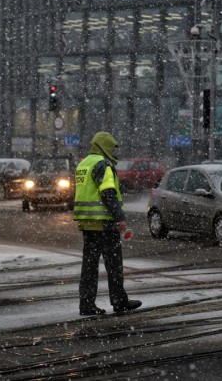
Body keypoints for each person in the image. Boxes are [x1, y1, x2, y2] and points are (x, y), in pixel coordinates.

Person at [73, 131, 142, 316]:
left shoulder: (83, 164)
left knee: (89, 266)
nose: (114, 151)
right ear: (104, 146)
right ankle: (119, 301)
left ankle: (86, 304)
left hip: (88, 223)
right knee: (114, 265)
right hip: (104, 223)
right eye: (112, 147)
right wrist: (119, 218)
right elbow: (108, 193)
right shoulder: (103, 165)